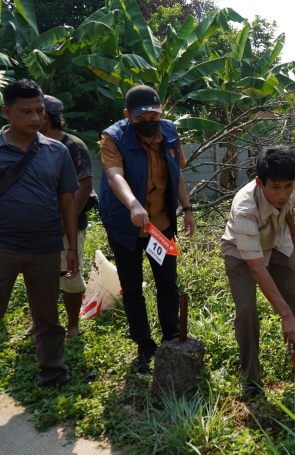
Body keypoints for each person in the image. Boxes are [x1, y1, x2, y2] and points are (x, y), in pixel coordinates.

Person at [0, 79, 80, 427]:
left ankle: (53, 373)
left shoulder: (57, 152)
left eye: (40, 110)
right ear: (7, 112)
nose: (36, 117)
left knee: (48, 318)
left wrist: (72, 248)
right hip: (0, 248)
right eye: (26, 111)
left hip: (45, 248)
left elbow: (68, 201)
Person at [99, 85, 195, 374]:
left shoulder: (169, 132)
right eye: (141, 118)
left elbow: (175, 174)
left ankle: (170, 337)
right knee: (132, 288)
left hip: (161, 226)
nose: (149, 122)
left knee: (167, 283)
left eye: (154, 115)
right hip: (126, 226)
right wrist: (133, 205)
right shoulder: (112, 137)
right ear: (128, 115)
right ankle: (145, 346)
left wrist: (187, 209)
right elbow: (114, 175)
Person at [221, 146, 295, 398]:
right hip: (241, 253)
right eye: (275, 188)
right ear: (259, 182)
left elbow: (288, 207)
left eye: (287, 186)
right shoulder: (245, 209)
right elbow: (257, 268)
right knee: (247, 309)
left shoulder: (293, 182)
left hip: (277, 238)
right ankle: (250, 378)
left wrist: (293, 237)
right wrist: (284, 317)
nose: (282, 194)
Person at [22, 95, 93, 339]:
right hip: (36, 225)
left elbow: (83, 189)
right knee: (38, 278)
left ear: (47, 117)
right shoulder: (29, 144)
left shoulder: (73, 146)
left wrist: (65, 224)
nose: (31, 118)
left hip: (68, 226)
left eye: (37, 113)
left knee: (69, 276)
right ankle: (41, 322)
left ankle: (72, 324)